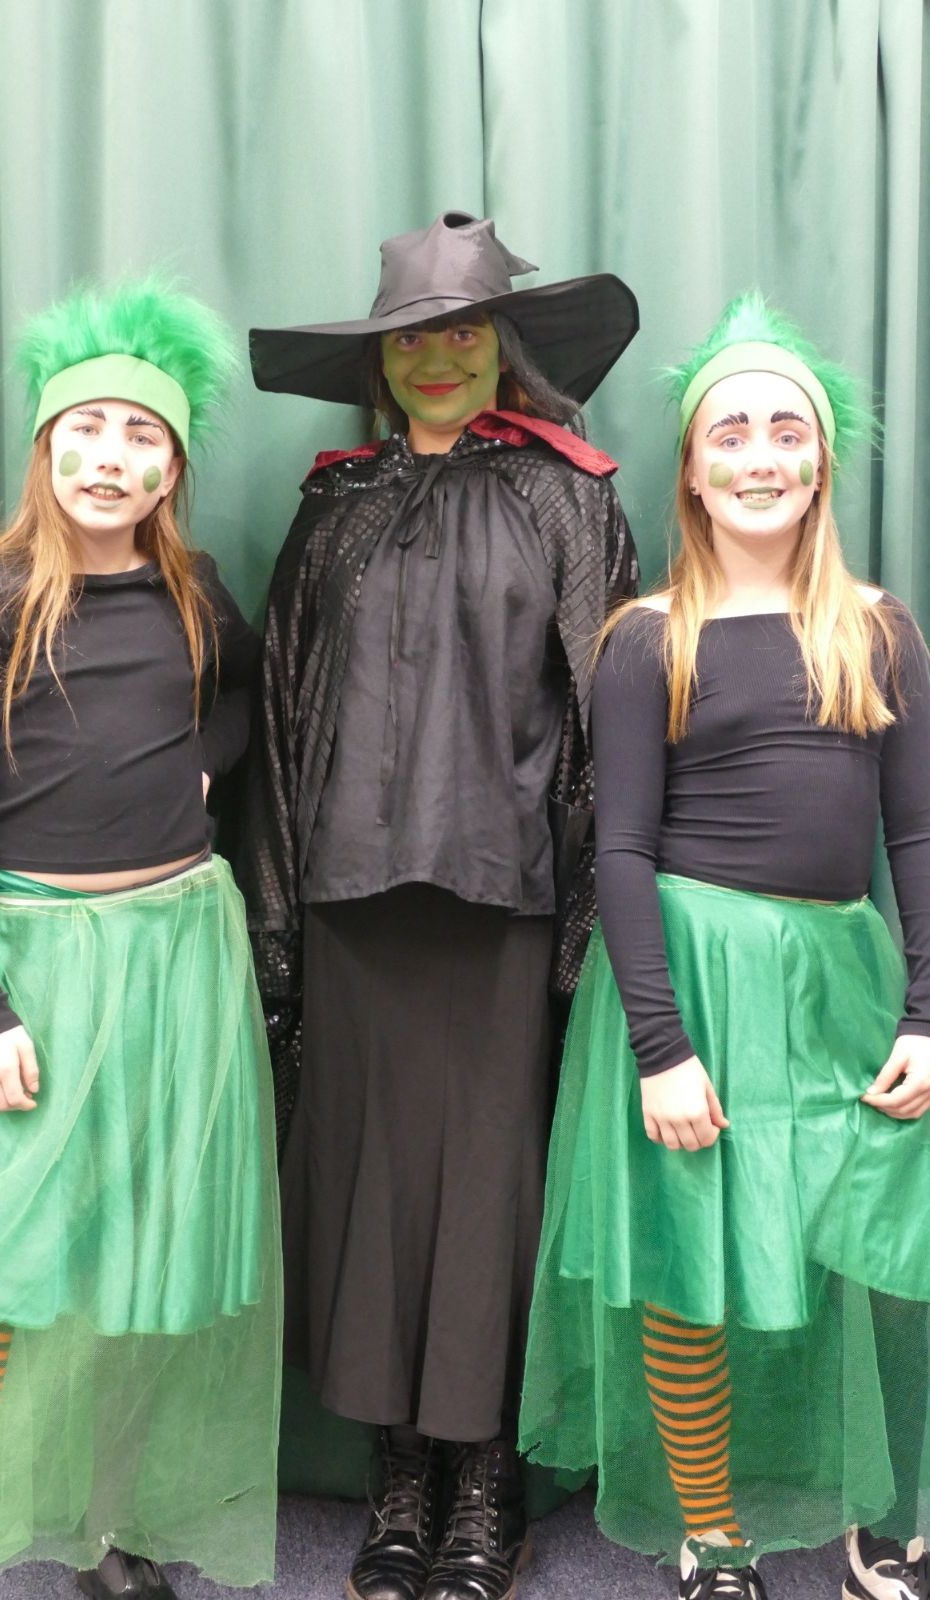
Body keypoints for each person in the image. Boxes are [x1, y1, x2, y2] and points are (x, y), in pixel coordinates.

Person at [242, 211, 639, 1600]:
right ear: (380, 359)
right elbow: (282, 720)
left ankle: (485, 1485)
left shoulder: (568, 497)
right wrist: (276, 929)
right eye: (412, 337)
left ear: (502, 346)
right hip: (352, 910)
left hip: (502, 910)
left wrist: (585, 931)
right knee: (372, 1196)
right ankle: (398, 1480)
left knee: (489, 1201)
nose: (437, 357)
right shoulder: (333, 507)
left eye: (463, 330)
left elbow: (606, 719)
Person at [0, 279, 281, 1600]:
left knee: (138, 1264)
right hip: (39, 969)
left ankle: (106, 1533)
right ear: (46, 447)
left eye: (141, 435)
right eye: (85, 429)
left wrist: (207, 764)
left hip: (178, 955)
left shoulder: (192, 592)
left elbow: (251, 696)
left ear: (173, 468)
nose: (110, 455)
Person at [518, 293, 930, 1599]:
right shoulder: (648, 638)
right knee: (687, 1265)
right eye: (730, 434)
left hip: (838, 983)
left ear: (821, 462)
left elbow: (915, 836)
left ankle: (885, 1507)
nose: (760, 456)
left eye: (785, 432)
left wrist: (924, 1012)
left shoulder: (878, 628)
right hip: (689, 987)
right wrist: (659, 1047)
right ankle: (710, 1531)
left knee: (872, 1248)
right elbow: (621, 852)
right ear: (694, 471)